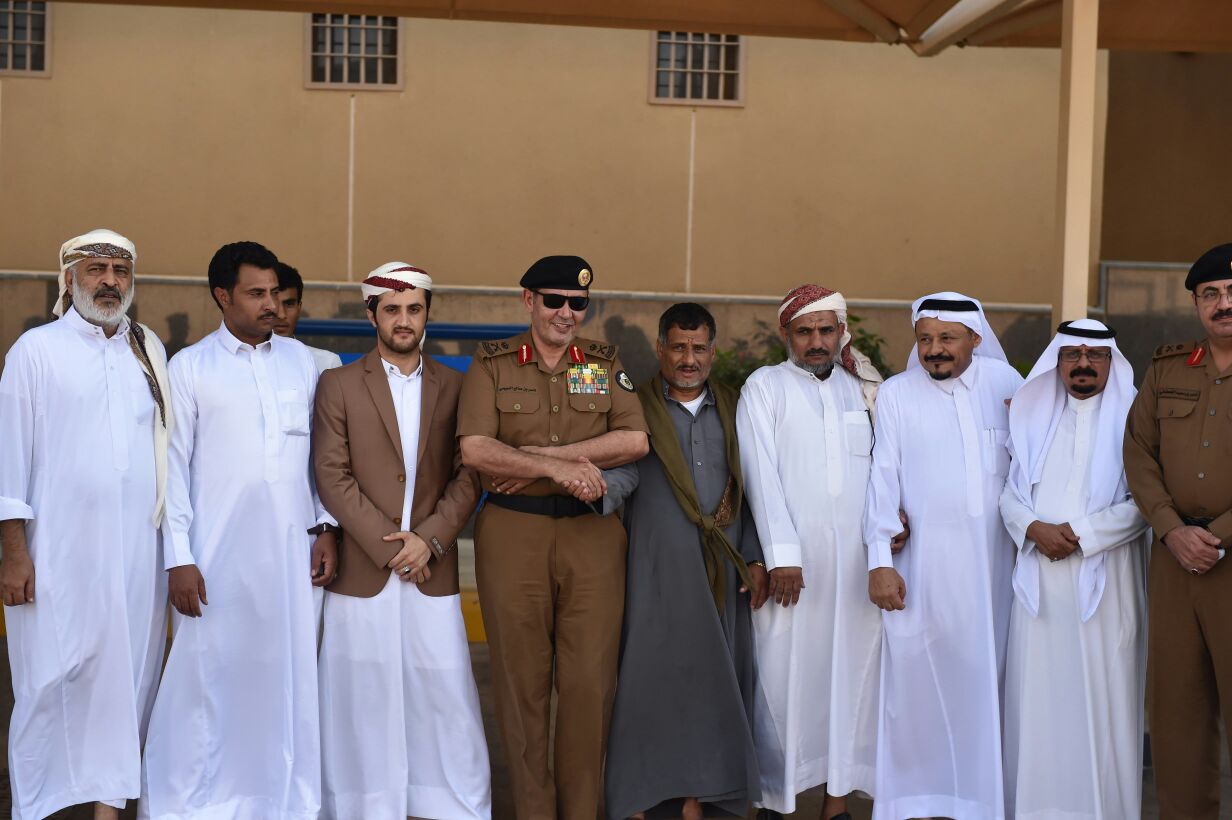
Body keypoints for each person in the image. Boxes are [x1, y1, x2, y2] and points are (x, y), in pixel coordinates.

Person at [140, 241, 337, 819]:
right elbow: (172, 471)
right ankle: (191, 803)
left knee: (284, 679)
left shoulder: (305, 364)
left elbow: (323, 461)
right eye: (256, 294)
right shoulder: (190, 368)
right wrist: (179, 557)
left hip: (292, 557)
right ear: (222, 297)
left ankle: (281, 802)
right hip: (214, 561)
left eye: (275, 293)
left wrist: (326, 527)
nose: (271, 304)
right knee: (206, 681)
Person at [457, 255, 648, 819]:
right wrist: (554, 469)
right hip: (513, 534)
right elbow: (475, 449)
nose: (566, 312)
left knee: (590, 685)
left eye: (578, 303)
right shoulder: (493, 363)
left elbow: (634, 440)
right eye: (554, 300)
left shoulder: (600, 362)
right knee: (521, 686)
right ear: (529, 301)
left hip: (592, 538)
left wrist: (547, 458)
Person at [0, 230, 171, 820]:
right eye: (97, 269)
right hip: (58, 552)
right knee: (49, 681)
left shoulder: (148, 348)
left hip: (137, 554)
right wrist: (14, 553)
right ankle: (35, 806)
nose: (110, 282)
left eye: (121, 272)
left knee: (128, 681)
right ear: (69, 278)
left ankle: (107, 809)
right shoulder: (35, 351)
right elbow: (9, 459)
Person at [313, 261, 490, 819]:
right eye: (392, 309)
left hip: (431, 568)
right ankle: (363, 806)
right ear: (372, 315)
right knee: (359, 697)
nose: (404, 320)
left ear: (428, 313)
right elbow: (332, 475)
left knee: (444, 694)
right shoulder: (338, 384)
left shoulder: (457, 387)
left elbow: (469, 474)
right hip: (365, 569)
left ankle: (449, 806)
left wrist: (428, 541)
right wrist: (396, 550)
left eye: (414, 308)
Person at [602, 302, 768, 820]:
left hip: (725, 573)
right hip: (654, 571)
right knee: (650, 684)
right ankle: (647, 798)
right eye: (678, 347)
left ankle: (710, 796)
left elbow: (760, 487)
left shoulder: (739, 408)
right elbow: (618, 471)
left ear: (713, 352)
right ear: (660, 350)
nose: (688, 358)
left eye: (698, 348)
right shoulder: (634, 407)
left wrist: (756, 557)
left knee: (717, 685)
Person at [864, 291, 1022, 820]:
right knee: (917, 692)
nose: (935, 349)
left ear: (975, 338)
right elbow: (882, 479)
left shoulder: (1008, 385)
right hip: (921, 570)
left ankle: (981, 803)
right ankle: (915, 803)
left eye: (947, 338)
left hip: (995, 573)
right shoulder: (897, 393)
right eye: (925, 338)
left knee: (986, 686)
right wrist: (880, 560)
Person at [736, 285, 883, 820]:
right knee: (782, 681)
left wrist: (890, 530)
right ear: (786, 334)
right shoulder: (764, 387)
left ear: (842, 331)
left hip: (856, 570)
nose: (816, 341)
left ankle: (835, 803)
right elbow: (759, 474)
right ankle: (776, 801)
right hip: (793, 570)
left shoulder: (864, 391)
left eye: (826, 330)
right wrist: (782, 556)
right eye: (804, 331)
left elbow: (887, 470)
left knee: (850, 680)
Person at [1001, 319, 1149, 819]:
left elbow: (1146, 502)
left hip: (1107, 589)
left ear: (1111, 362)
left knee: (1105, 703)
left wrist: (1080, 534)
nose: (1083, 364)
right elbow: (1009, 493)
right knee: (1038, 705)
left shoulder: (1137, 419)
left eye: (1095, 355)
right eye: (1072, 355)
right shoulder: (1032, 417)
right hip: (1039, 589)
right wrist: (1032, 527)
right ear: (1058, 362)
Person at [1124, 242, 1232, 819]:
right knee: (1176, 717)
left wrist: (1216, 536)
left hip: (1227, 560)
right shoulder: (1168, 369)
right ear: (1196, 304)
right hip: (1174, 563)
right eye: (1210, 294)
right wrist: (1170, 530)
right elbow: (1139, 452)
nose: (1223, 304)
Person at [274, 261, 344, 374]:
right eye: (274, 305)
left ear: (299, 308)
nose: (281, 314)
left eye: (289, 304)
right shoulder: (243, 364)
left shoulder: (326, 364)